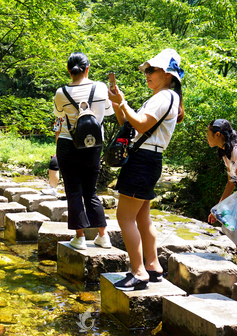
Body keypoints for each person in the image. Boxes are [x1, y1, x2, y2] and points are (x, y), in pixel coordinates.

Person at [108, 49, 184, 291]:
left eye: (153, 70)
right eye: (147, 70)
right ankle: (153, 267)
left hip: (142, 161)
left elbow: (140, 123)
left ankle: (138, 272)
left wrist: (123, 103)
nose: (148, 74)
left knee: (124, 217)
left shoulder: (163, 97)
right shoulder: (163, 97)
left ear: (168, 74)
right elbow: (129, 124)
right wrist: (117, 103)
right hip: (149, 160)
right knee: (142, 216)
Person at [53, 52, 113, 251]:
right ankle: (103, 236)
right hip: (93, 145)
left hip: (68, 144)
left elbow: (59, 115)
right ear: (88, 69)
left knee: (73, 192)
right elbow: (110, 111)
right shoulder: (101, 87)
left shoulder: (61, 92)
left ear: (69, 71)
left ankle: (79, 238)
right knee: (91, 191)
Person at [206, 119, 237, 223]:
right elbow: (231, 182)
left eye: (208, 134)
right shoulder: (226, 153)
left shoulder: (235, 151)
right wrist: (218, 208)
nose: (207, 137)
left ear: (217, 134)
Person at [43, 117, 64, 197]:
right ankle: (53, 188)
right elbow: (57, 133)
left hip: (81, 147)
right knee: (54, 161)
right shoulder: (59, 117)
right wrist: (59, 150)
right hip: (65, 146)